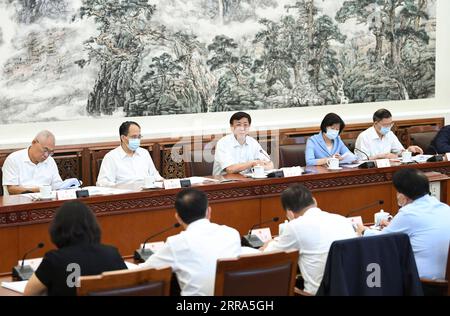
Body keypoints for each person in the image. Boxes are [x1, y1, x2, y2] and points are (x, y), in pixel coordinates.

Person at [140, 188, 241, 296]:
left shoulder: (176, 243)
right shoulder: (231, 233)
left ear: (178, 218)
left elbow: (143, 273)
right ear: (209, 212)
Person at [357, 168, 450, 282]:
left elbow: (381, 240)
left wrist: (363, 231)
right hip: (445, 278)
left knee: (374, 267)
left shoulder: (408, 213)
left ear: (403, 194)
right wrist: (393, 225)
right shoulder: (444, 207)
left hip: (424, 283)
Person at [261, 184, 357, 295]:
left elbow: (268, 256)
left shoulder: (295, 227)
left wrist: (269, 243)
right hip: (350, 291)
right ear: (314, 201)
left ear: (289, 212)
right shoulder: (343, 220)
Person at [24, 201, 127, 296]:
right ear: (93, 226)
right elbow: (130, 285)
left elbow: (29, 293)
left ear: (58, 229)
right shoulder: (112, 254)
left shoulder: (54, 259)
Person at [96, 121, 163, 186]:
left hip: (146, 193)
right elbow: (102, 183)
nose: (137, 140)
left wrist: (165, 182)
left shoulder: (144, 153)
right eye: (134, 137)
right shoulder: (111, 157)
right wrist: (121, 187)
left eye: (139, 137)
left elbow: (155, 176)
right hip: (124, 194)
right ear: (123, 138)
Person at [2, 130, 62, 195]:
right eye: (45, 150)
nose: (46, 155)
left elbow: (57, 185)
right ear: (34, 142)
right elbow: (11, 189)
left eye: (50, 152)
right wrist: (41, 190)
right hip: (19, 202)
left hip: (46, 201)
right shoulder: (13, 159)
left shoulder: (50, 161)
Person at [213, 112, 274, 176]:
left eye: (245, 125)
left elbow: (270, 164)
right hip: (224, 182)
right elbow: (230, 169)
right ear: (231, 127)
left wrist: (260, 167)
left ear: (249, 126)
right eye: (238, 125)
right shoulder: (223, 143)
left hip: (248, 180)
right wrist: (252, 163)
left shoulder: (253, 142)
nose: (242, 128)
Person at [355, 109, 423, 160]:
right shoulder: (364, 137)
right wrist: (381, 156)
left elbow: (399, 152)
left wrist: (408, 150)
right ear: (375, 123)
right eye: (385, 125)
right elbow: (362, 161)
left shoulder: (390, 134)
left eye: (390, 124)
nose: (388, 127)